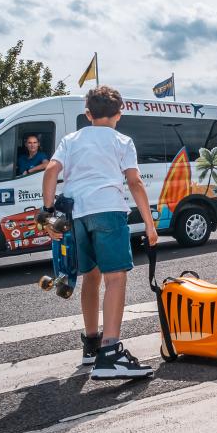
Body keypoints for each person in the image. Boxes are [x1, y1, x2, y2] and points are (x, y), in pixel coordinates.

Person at [41, 85, 159, 380]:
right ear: (119, 114)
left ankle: (91, 344)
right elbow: (134, 182)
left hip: (75, 214)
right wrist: (149, 222)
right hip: (108, 210)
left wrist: (47, 213)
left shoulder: (71, 139)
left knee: (90, 277)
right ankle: (111, 353)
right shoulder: (122, 140)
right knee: (115, 278)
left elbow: (51, 172)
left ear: (88, 114)